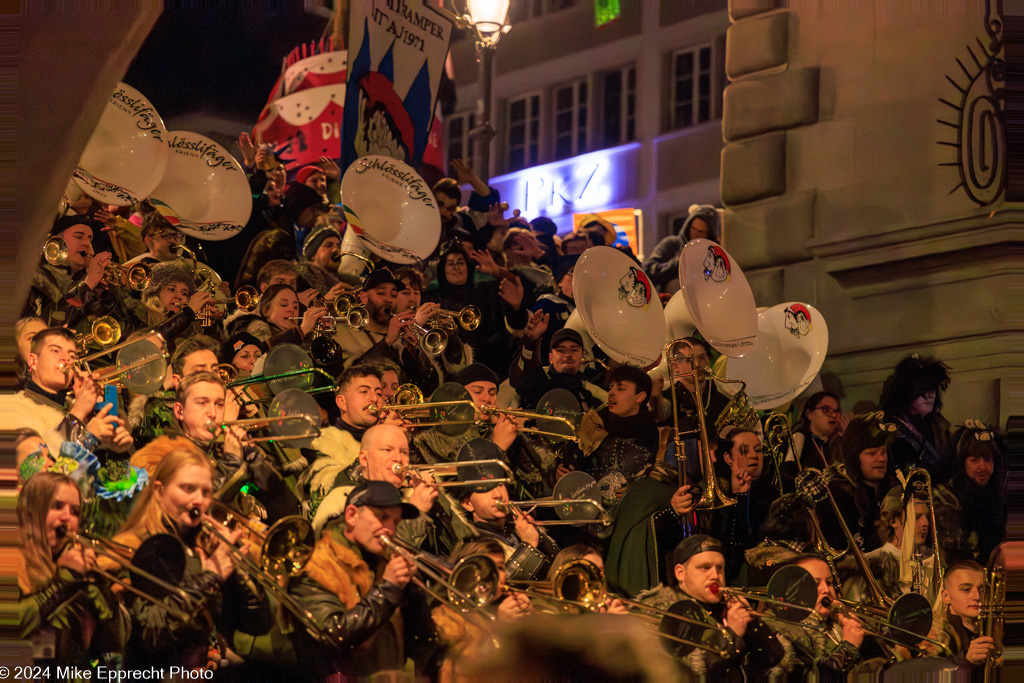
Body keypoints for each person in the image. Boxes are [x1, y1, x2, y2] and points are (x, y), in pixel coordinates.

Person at [112, 443, 271, 669]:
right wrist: (209, 578)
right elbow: (151, 636)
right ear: (159, 491)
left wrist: (236, 564)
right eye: (188, 488)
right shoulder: (137, 546)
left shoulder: (203, 546)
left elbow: (257, 623)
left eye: (206, 492)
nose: (199, 500)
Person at [280, 480, 426, 677]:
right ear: (352, 515)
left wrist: (415, 593)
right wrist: (388, 588)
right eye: (382, 517)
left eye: (395, 522)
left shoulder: (384, 562)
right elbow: (333, 635)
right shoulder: (316, 564)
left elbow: (418, 640)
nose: (390, 529)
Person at [17, 472, 128, 667]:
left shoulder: (69, 562)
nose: (67, 517)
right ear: (31, 511)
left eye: (75, 511)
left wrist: (97, 583)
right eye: (57, 506)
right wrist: (65, 581)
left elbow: (114, 641)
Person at [635, 534, 783, 677]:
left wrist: (752, 622)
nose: (714, 575)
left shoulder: (724, 609)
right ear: (680, 573)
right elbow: (696, 670)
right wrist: (732, 635)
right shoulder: (666, 615)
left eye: (720, 568)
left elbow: (773, 657)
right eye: (705, 567)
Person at [13, 326, 130, 457]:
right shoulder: (17, 408)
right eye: (56, 351)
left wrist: (115, 450)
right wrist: (80, 417)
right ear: (33, 361)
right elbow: (41, 471)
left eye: (72, 355)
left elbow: (115, 475)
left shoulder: (71, 407)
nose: (66, 358)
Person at [768, 554, 865, 676]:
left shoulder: (838, 622)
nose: (826, 589)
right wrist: (848, 648)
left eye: (829, 582)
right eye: (813, 583)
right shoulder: (784, 633)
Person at [934, 422, 1007, 566]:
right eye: (974, 460)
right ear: (963, 463)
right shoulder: (946, 496)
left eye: (988, 459)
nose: (982, 467)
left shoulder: (998, 495)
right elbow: (954, 547)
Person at [879, 355, 954, 482]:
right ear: (907, 392)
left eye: (932, 389)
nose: (930, 396)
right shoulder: (890, 430)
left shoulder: (940, 426)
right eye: (922, 390)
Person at [509, 320, 607, 411]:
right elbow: (520, 378)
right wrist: (531, 341)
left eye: (574, 350)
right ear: (550, 358)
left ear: (582, 356)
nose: (568, 354)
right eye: (561, 350)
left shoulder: (586, 395)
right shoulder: (538, 382)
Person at [641, 204, 721, 295]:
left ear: (709, 235)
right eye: (693, 228)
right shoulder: (671, 244)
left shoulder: (711, 257)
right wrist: (682, 262)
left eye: (700, 232)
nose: (695, 234)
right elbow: (647, 271)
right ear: (688, 226)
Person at [934, 561, 999, 670]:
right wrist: (967, 663)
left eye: (982, 590)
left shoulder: (992, 628)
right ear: (946, 596)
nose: (977, 596)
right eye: (966, 589)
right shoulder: (936, 638)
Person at [783, 391, 843, 473]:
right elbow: (787, 473)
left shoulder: (837, 442)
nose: (833, 415)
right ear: (809, 413)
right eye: (826, 409)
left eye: (836, 411)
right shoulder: (799, 438)